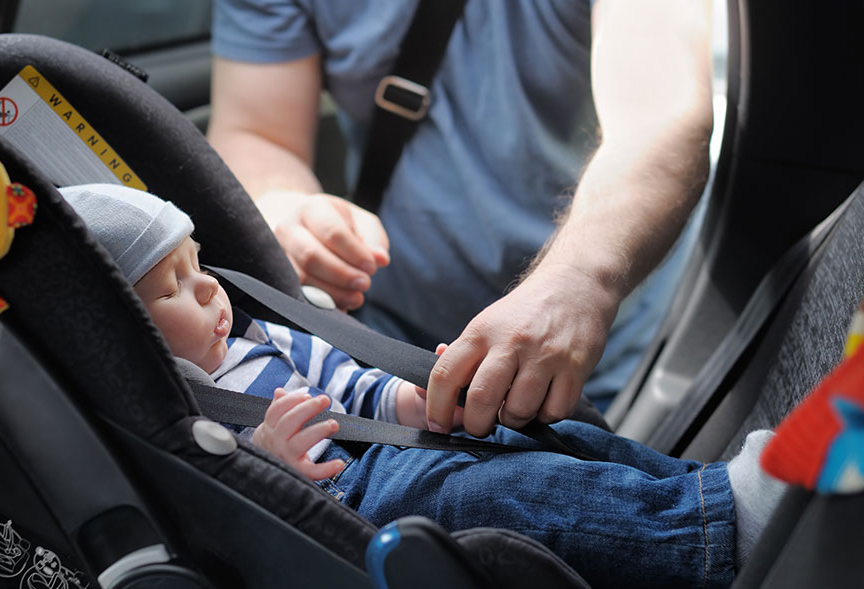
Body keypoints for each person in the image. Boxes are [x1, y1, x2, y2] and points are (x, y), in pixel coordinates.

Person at [60, 184, 783, 588]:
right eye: (172, 290)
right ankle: (714, 532)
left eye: (199, 267)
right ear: (130, 328)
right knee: (503, 494)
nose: (210, 292)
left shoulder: (258, 335)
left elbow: (344, 381)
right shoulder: (179, 404)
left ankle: (706, 488)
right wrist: (274, 458)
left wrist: (414, 400)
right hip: (350, 495)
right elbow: (231, 496)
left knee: (559, 439)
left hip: (392, 443)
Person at [206, 0, 714, 437]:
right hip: (390, 343)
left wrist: (580, 280)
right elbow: (256, 132)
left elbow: (662, 117)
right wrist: (283, 205)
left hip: (604, 349)